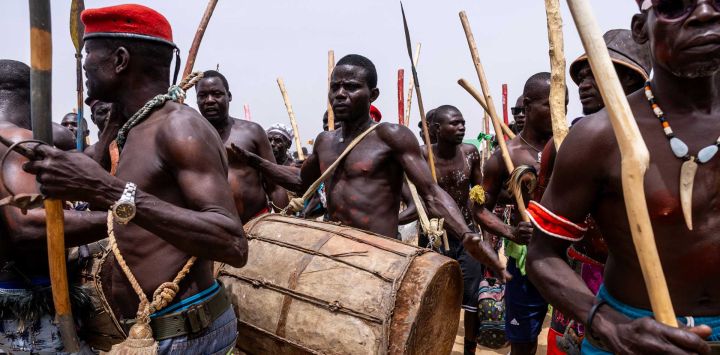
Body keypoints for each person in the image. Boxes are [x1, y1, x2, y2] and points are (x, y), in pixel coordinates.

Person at [21, 5, 247, 353]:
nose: (83, 65)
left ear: (120, 60)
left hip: (188, 332)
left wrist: (105, 188)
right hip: (160, 330)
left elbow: (231, 242)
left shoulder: (178, 127)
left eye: (89, 55)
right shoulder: (135, 129)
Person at [527, 1, 720, 353]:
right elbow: (541, 253)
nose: (706, 14)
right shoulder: (598, 138)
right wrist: (605, 322)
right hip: (633, 333)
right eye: (677, 5)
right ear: (640, 28)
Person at [232, 54, 509, 280]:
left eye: (351, 87)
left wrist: (467, 235)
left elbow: (430, 193)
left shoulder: (391, 135)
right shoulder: (325, 141)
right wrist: (258, 163)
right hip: (331, 252)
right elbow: (301, 182)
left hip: (378, 257)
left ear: (373, 94)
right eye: (334, 87)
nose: (340, 94)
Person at [537, 29, 651, 355]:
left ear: (631, 81)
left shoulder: (665, 143)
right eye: (581, 77)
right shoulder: (566, 145)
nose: (583, 85)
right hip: (580, 279)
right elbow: (543, 237)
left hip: (646, 292)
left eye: (595, 75)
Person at [409, 105, 533, 354]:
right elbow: (419, 198)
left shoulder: (470, 153)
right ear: (435, 129)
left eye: (462, 122)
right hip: (433, 237)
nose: (461, 127)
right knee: (432, 297)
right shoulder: (422, 156)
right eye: (454, 123)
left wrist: (486, 233)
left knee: (474, 300)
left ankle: (469, 351)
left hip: (468, 236)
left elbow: (480, 196)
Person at [481, 72, 563, 355]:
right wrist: (510, 232)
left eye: (563, 104)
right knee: (524, 341)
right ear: (527, 107)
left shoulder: (571, 147)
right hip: (527, 261)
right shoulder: (508, 154)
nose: (559, 112)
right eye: (551, 105)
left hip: (568, 261)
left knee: (570, 339)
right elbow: (478, 207)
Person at [195, 70, 289, 221]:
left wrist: (283, 224)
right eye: (203, 96)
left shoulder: (252, 132)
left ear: (229, 96)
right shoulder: (190, 137)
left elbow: (275, 186)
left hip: (257, 223)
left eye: (217, 94)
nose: (210, 100)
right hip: (212, 228)